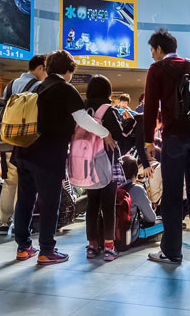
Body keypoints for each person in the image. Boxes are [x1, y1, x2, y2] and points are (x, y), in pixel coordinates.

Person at [13, 51, 111, 265]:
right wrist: (106, 133)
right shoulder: (65, 89)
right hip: (47, 156)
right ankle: (47, 249)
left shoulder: (36, 87)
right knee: (49, 203)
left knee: (25, 200)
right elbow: (82, 119)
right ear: (68, 71)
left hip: (23, 152)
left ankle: (23, 247)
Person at [143, 28, 190, 265]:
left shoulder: (157, 69)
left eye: (152, 50)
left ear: (160, 49)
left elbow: (150, 107)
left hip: (174, 140)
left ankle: (172, 252)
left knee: (171, 194)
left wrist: (148, 141)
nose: (152, 55)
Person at [83, 75, 133, 261]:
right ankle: (109, 247)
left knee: (92, 206)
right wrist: (131, 121)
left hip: (88, 165)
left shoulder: (85, 109)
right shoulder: (108, 110)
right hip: (107, 163)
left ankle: (92, 246)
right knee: (108, 205)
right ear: (107, 92)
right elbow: (121, 134)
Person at [0, 55, 47, 236]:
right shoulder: (38, 87)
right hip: (26, 140)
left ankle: (2, 222)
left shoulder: (11, 84)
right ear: (40, 68)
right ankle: (20, 222)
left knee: (9, 181)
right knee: (25, 183)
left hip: (8, 138)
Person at [121, 155, 158, 247]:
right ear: (135, 173)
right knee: (162, 222)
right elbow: (151, 218)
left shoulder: (110, 186)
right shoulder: (137, 189)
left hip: (108, 237)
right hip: (129, 237)